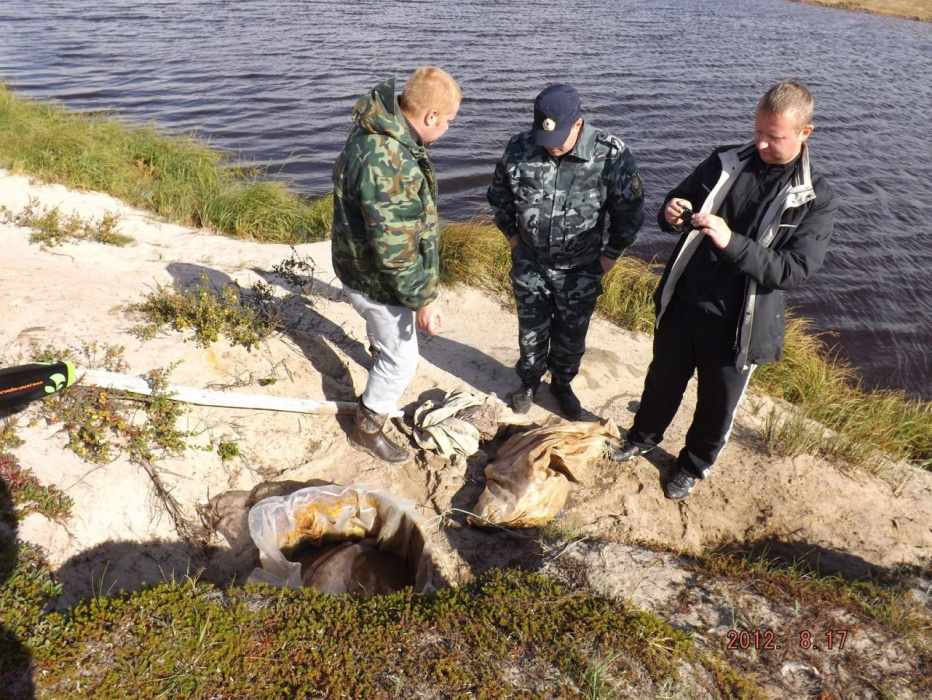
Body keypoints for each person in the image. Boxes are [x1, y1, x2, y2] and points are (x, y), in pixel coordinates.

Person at [613, 79, 838, 499]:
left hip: (739, 323)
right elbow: (679, 198)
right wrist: (672, 211)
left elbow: (794, 270)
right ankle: (643, 436)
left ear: (805, 133)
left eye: (775, 137)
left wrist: (729, 240)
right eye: (758, 132)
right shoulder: (725, 160)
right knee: (662, 379)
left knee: (717, 405)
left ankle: (692, 466)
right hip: (683, 301)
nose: (763, 144)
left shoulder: (816, 198)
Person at [487, 84, 645, 420]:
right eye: (546, 137)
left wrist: (608, 257)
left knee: (571, 336)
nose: (553, 146)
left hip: (581, 269)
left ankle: (562, 383)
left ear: (578, 124)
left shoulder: (611, 155)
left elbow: (630, 215)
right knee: (530, 331)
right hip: (530, 264)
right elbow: (499, 196)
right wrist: (514, 240)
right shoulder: (520, 147)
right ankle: (529, 382)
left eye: (560, 136)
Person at [331, 66, 461, 463]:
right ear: (430, 117)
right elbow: (395, 252)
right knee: (402, 360)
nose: (449, 129)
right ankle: (367, 427)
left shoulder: (378, 126)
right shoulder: (389, 160)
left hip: (357, 263)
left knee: (386, 336)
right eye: (449, 121)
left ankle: (377, 345)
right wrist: (424, 300)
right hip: (374, 279)